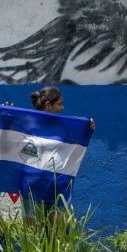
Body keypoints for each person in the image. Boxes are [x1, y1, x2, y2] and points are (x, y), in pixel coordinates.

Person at [27, 86, 95, 224]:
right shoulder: (27, 123)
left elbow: (76, 142)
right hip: (32, 185)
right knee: (33, 235)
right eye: (59, 104)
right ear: (47, 105)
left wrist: (88, 129)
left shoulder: (63, 125)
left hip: (57, 185)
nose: (62, 108)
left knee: (57, 234)